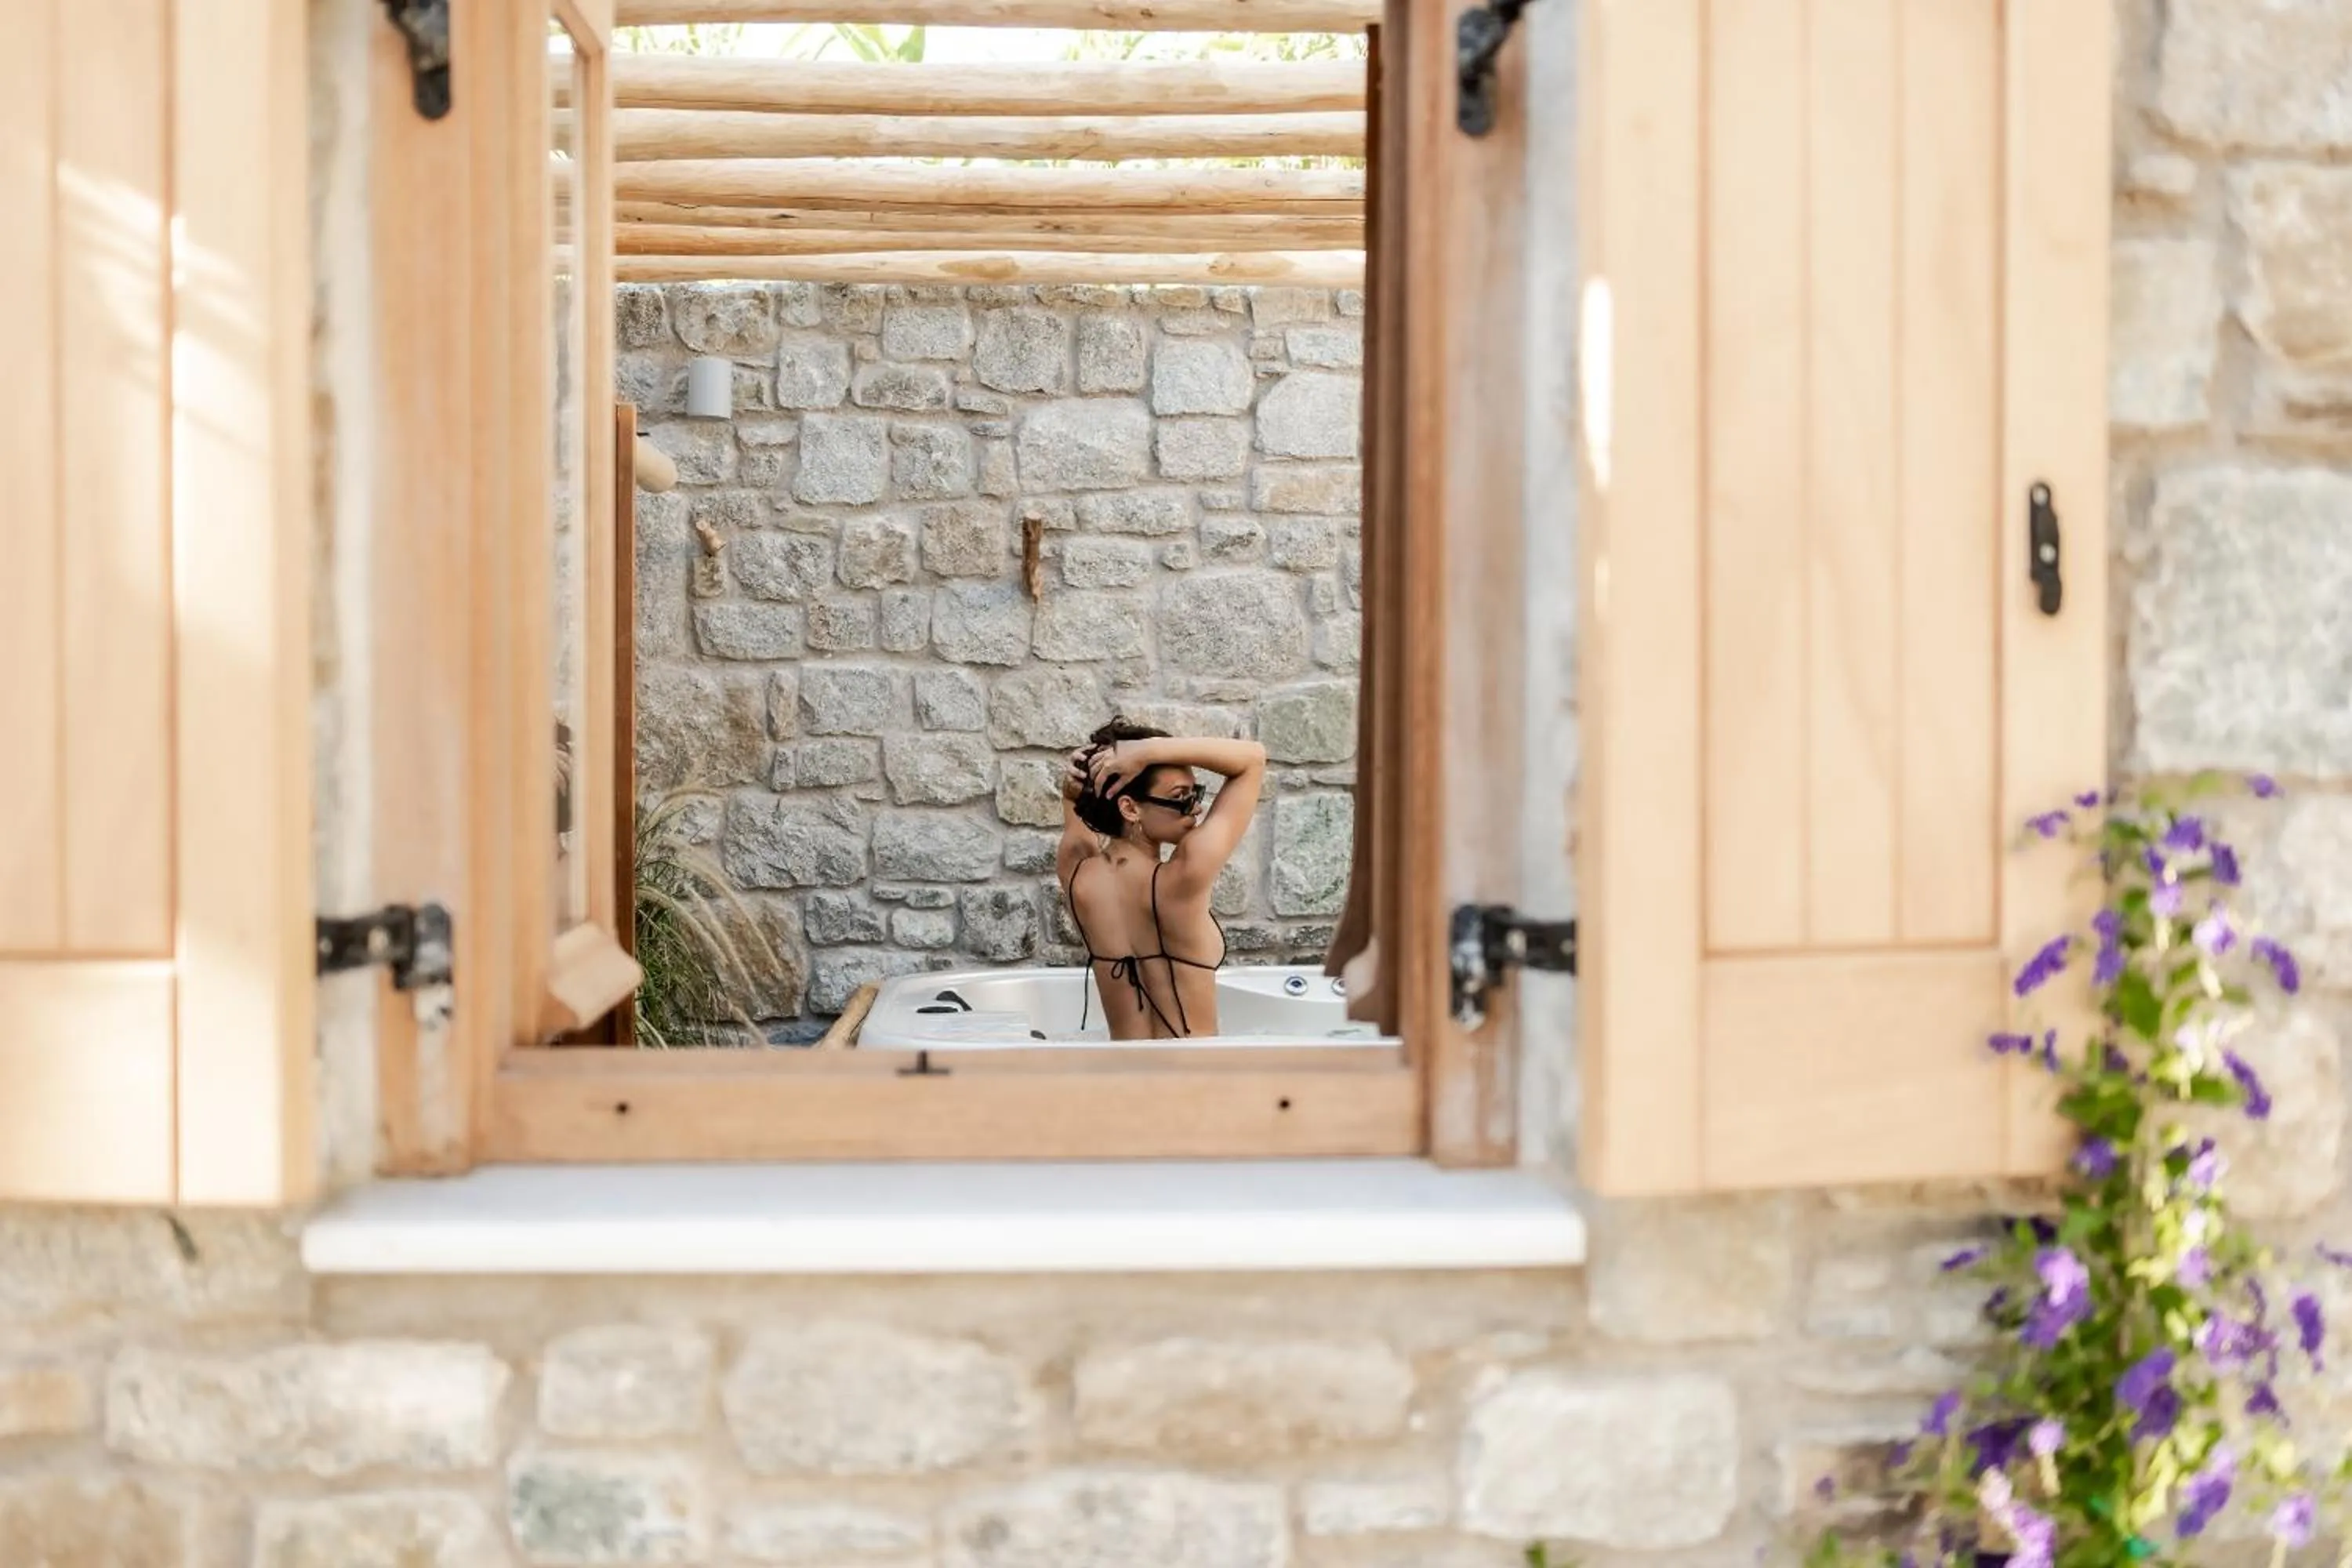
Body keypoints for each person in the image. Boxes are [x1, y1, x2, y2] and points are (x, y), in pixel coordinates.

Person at [1056, 719, 1267, 1040]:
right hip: (1192, 1079)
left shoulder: (1076, 874)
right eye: (1181, 796)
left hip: (1125, 1080)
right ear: (1130, 809)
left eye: (1196, 792)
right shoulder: (1182, 878)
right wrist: (1145, 751)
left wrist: (1076, 783)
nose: (1195, 808)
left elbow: (1074, 802)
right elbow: (1252, 759)